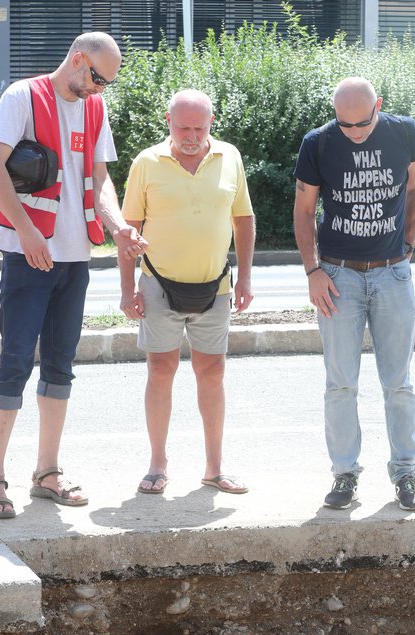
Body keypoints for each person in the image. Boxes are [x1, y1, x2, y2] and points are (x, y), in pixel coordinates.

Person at [0, 31, 145, 518]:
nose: (98, 89)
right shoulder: (22, 96)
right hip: (27, 254)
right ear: (77, 60)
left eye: (106, 83)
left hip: (74, 257)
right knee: (13, 363)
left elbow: (101, 180)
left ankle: (47, 473)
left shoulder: (94, 108)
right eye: (96, 78)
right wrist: (27, 232)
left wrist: (117, 227)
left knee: (59, 367)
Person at [294, 76, 415, 511]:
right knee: (340, 385)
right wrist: (313, 270)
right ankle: (344, 476)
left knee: (398, 384)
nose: (353, 132)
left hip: (392, 274)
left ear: (379, 106)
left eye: (362, 124)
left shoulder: (404, 131)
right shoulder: (317, 143)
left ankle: (406, 474)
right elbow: (303, 209)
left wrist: (407, 246)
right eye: (345, 124)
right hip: (338, 277)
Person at [119, 88, 255, 496]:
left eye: (199, 127)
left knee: (212, 372)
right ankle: (157, 465)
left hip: (215, 287)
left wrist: (245, 278)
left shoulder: (229, 156)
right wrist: (128, 290)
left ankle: (215, 468)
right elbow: (127, 230)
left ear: (211, 122)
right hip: (159, 284)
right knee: (161, 370)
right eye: (183, 128)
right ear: (168, 121)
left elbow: (243, 219)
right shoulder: (147, 162)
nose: (192, 136)